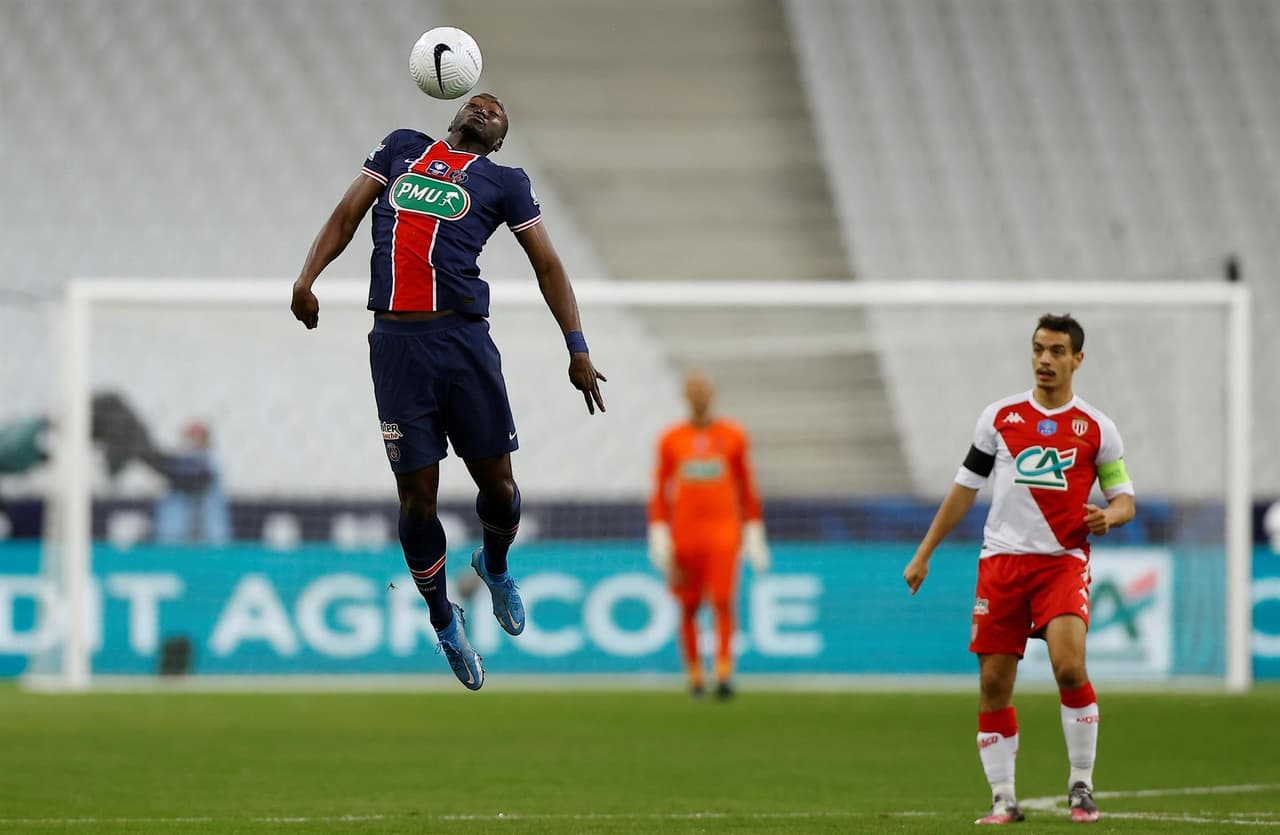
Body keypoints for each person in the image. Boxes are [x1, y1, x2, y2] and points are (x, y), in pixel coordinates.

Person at [290, 93, 606, 691]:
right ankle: (443, 619)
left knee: (500, 487)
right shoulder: (401, 148)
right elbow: (347, 213)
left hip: (462, 344)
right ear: (454, 114)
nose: (485, 108)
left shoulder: (505, 182)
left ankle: (495, 566)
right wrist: (307, 278)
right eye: (477, 103)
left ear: (500, 140)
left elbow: (547, 264)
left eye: (497, 111)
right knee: (416, 500)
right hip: (396, 347)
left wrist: (578, 346)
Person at [903, 314, 1135, 825]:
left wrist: (1110, 516)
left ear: (1077, 359)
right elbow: (964, 490)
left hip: (1062, 563)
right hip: (1002, 563)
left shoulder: (1098, 428)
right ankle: (1004, 797)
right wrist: (925, 552)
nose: (1044, 360)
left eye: (1056, 351)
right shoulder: (999, 418)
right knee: (993, 683)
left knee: (1069, 667)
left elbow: (1124, 499)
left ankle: (1081, 784)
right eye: (1038, 349)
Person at [647, 372, 769, 699]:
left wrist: (754, 529)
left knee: (723, 601)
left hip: (723, 533)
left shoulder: (733, 436)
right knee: (689, 605)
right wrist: (659, 530)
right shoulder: (671, 439)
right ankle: (695, 675)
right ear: (686, 396)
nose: (700, 396)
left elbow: (746, 485)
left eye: (704, 390)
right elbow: (660, 489)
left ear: (712, 395)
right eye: (694, 390)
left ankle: (724, 672)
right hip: (686, 534)